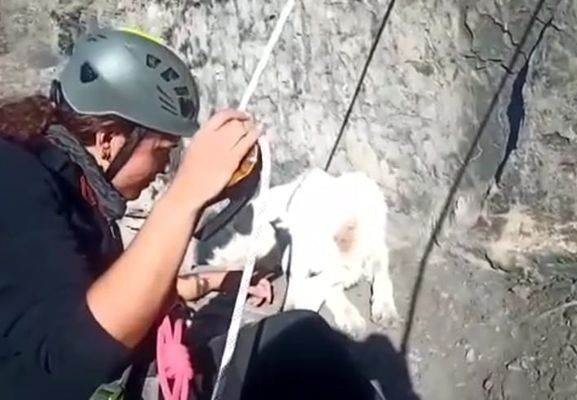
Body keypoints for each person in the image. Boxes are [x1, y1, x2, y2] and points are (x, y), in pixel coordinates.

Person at [0, 27, 382, 400]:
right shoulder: (15, 179)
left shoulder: (69, 187)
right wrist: (185, 195)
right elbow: (70, 355)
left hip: (132, 374)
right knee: (305, 355)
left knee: (303, 338)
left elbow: (118, 296)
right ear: (109, 140)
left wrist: (218, 280)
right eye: (163, 150)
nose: (164, 167)